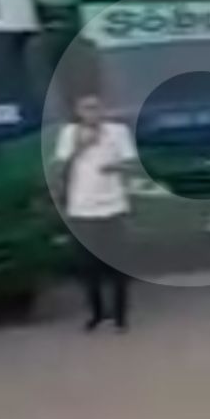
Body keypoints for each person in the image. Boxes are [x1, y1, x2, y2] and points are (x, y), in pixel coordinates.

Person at [54, 94, 137, 332]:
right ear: (79, 112)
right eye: (86, 109)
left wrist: (114, 166)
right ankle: (97, 313)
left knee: (119, 265)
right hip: (82, 208)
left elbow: (131, 162)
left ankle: (121, 317)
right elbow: (62, 166)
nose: (92, 113)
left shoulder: (117, 131)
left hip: (114, 206)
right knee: (88, 266)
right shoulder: (69, 133)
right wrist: (81, 146)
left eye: (96, 108)